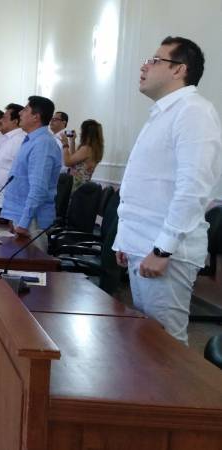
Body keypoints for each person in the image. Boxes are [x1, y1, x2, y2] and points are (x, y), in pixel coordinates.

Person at [113, 36, 222, 345]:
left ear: (179, 70)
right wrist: (127, 240)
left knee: (167, 345)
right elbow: (151, 186)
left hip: (165, 252)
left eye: (156, 60)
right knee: (148, 338)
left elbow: (194, 189)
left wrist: (163, 249)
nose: (145, 66)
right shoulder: (164, 113)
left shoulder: (193, 111)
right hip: (143, 244)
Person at [0, 96, 61, 251]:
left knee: (32, 269)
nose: (20, 113)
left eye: (26, 109)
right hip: (22, 217)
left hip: (32, 221)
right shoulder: (31, 140)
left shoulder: (42, 144)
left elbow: (38, 188)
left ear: (36, 117)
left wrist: (24, 222)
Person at [60, 119, 104, 192]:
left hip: (75, 187)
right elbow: (73, 159)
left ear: (86, 133)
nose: (80, 133)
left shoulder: (86, 149)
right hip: (83, 186)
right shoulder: (95, 149)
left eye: (81, 130)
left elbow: (67, 162)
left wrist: (65, 144)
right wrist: (72, 140)